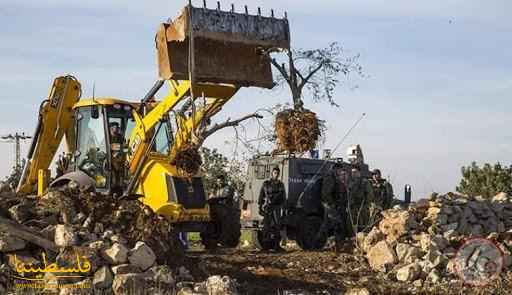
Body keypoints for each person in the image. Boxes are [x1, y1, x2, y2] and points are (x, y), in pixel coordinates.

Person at [318, 162, 348, 251]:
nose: (340, 172)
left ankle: (317, 243)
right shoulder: (330, 177)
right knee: (337, 224)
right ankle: (338, 245)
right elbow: (326, 193)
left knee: (326, 225)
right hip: (329, 205)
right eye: (340, 170)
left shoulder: (334, 177)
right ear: (336, 169)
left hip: (331, 205)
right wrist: (332, 204)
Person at [258, 167, 286, 251]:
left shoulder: (280, 184)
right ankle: (265, 246)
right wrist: (259, 206)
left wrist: (283, 208)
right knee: (266, 227)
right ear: (272, 173)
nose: (276, 175)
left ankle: (276, 245)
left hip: (276, 207)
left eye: (277, 173)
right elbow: (261, 195)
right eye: (274, 173)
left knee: (277, 226)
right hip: (268, 207)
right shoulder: (266, 184)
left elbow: (283, 197)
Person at [346, 167, 375, 236]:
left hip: (362, 206)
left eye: (355, 172)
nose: (353, 174)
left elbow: (370, 194)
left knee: (363, 224)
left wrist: (365, 204)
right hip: (352, 207)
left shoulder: (364, 182)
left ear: (359, 173)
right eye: (352, 172)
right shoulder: (349, 182)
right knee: (351, 224)